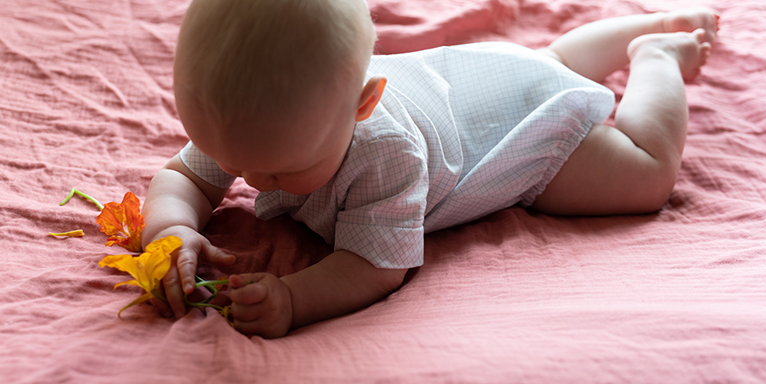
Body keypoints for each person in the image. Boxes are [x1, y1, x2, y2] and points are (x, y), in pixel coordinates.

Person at [142, 0, 718, 338]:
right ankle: (651, 24)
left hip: (509, 140)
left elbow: (373, 266)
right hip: (479, 77)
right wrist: (170, 228)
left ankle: (655, 56)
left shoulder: (385, 153)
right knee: (550, 62)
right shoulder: (253, 121)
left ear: (362, 105)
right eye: (233, 161)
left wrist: (294, 299)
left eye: (278, 172)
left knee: (646, 175)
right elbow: (182, 177)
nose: (251, 181)